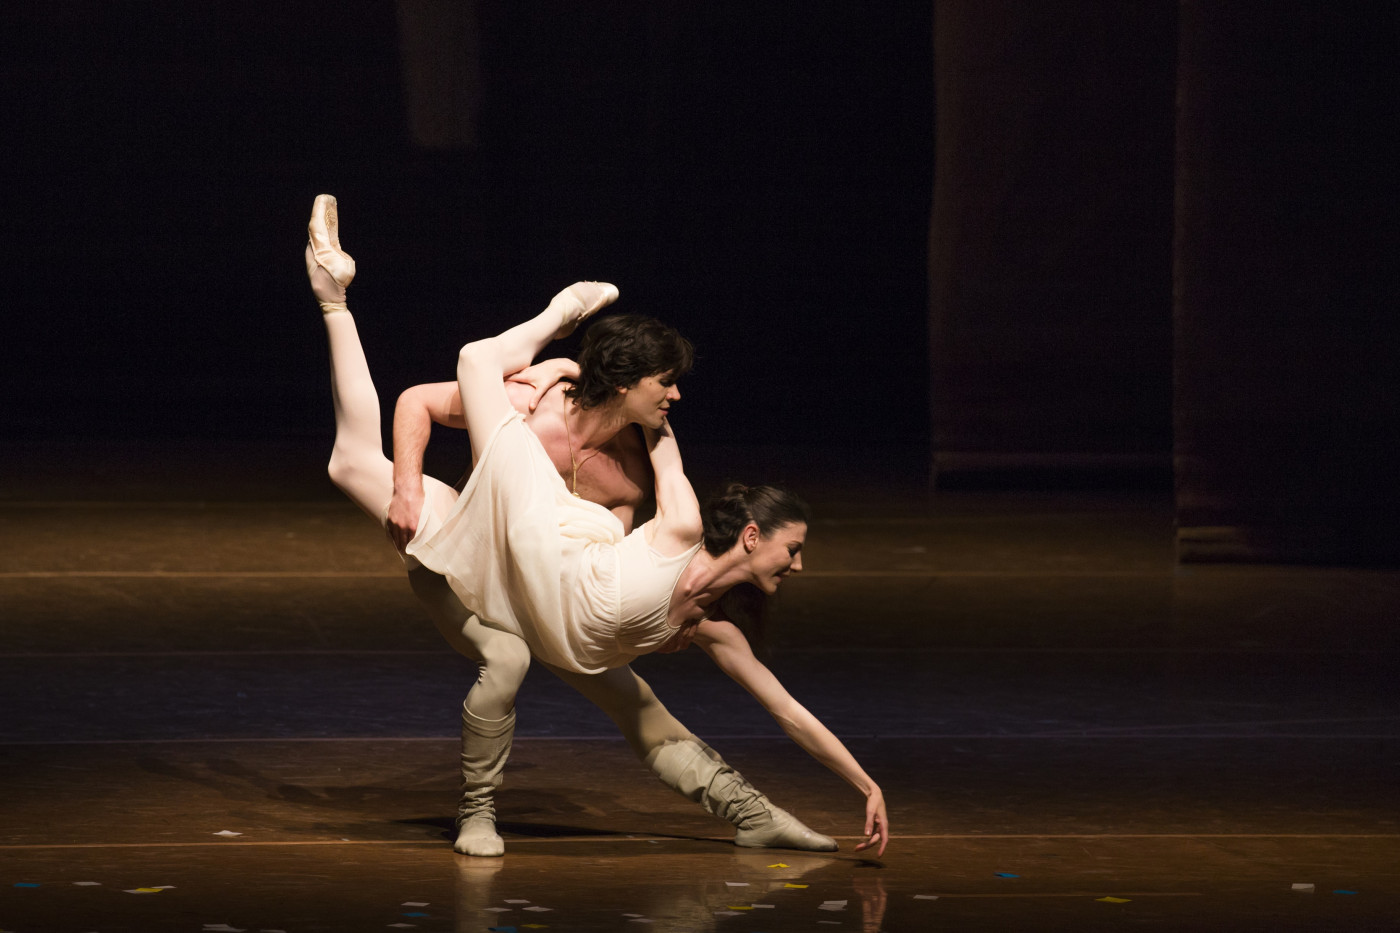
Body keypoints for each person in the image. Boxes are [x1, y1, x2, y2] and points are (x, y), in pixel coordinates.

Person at [306, 194, 888, 858]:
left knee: (641, 709)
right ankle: (350, 300)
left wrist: (863, 781)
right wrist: (411, 484)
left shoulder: (685, 576)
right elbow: (421, 401)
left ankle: (751, 812)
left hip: (562, 591)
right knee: (397, 453)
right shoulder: (553, 408)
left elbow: (785, 707)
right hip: (502, 540)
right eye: (664, 382)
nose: (674, 396)